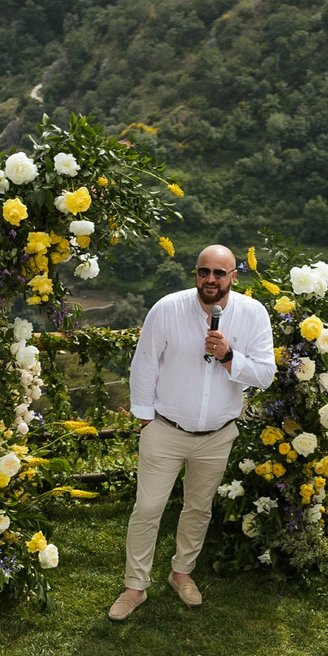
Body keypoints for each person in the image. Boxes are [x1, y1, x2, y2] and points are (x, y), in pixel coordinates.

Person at [114, 244, 277, 621]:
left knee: (198, 508)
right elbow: (144, 364)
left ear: (234, 276)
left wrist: (230, 357)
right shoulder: (168, 308)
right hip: (165, 428)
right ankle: (134, 586)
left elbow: (266, 374)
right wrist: (144, 417)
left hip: (218, 434)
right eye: (204, 271)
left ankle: (181, 573)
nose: (210, 279)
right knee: (148, 508)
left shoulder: (253, 314)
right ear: (196, 274)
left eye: (219, 273)